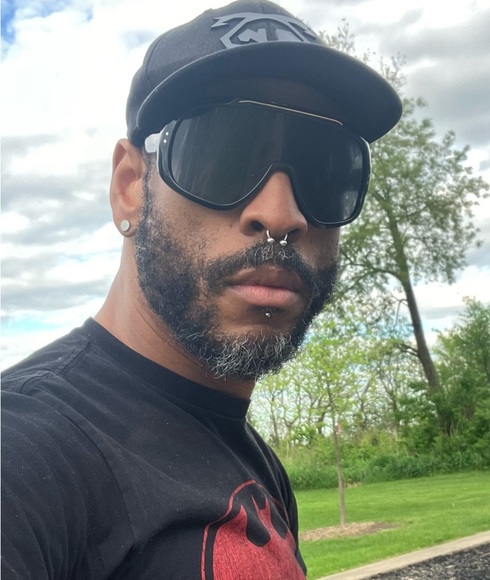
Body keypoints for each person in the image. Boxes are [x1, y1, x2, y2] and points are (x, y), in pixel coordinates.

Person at [1, 1, 402, 578]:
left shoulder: (253, 462)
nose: (280, 214)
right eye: (223, 155)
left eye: (326, 169)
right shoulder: (25, 451)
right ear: (130, 186)